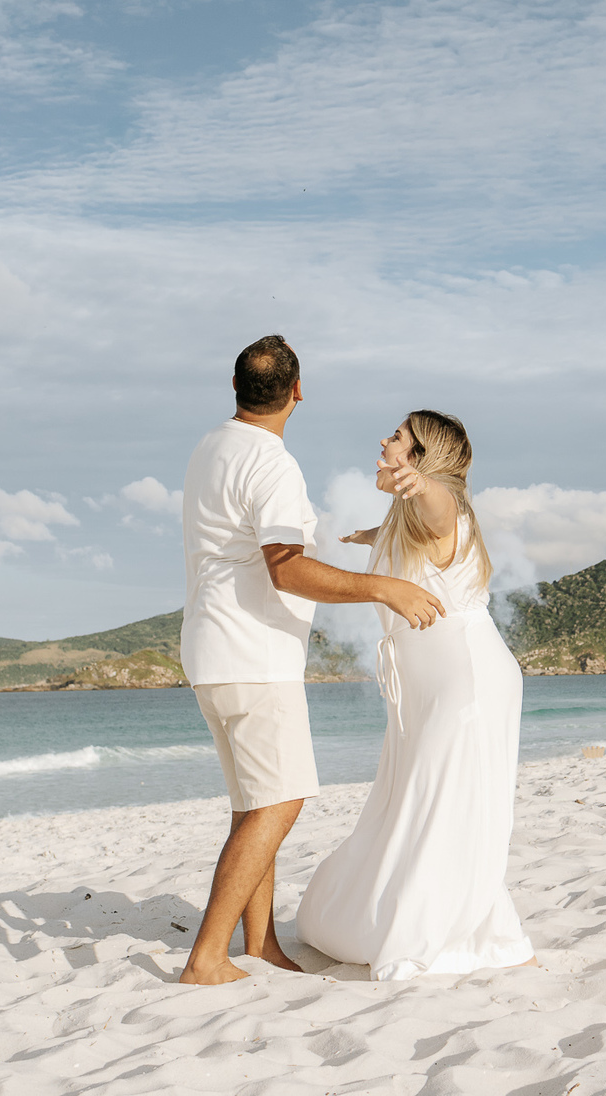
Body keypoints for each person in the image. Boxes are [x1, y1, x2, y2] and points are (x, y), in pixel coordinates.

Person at [178, 337, 447, 986]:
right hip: (254, 655)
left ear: (235, 385)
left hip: (212, 650)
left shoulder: (212, 446)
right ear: (298, 391)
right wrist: (383, 587)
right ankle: (207, 957)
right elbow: (287, 569)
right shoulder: (271, 464)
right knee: (280, 803)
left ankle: (260, 942)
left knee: (255, 803)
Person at [295, 409, 535, 980]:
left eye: (398, 436)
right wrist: (368, 535)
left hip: (465, 682)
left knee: (442, 807)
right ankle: (450, 923)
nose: (384, 438)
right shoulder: (404, 522)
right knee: (418, 804)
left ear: (421, 458)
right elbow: (407, 535)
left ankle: (440, 932)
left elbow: (439, 508)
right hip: (428, 690)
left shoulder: (444, 509)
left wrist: (422, 484)